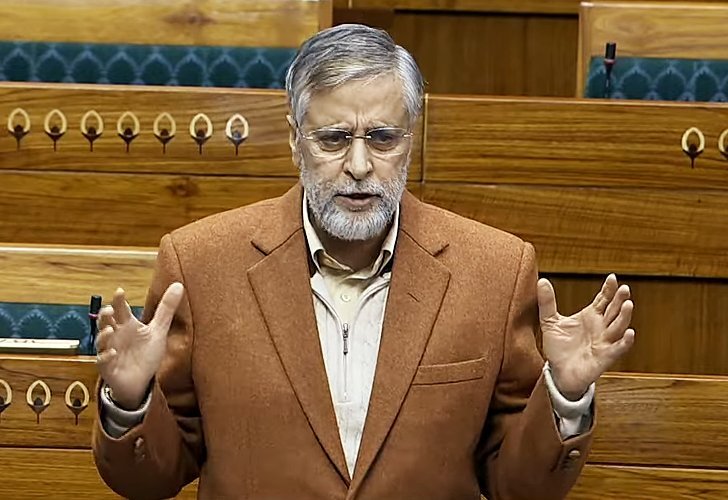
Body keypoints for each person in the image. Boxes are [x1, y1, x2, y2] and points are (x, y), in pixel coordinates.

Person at [92, 24, 635, 500]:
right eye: (333, 139)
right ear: (295, 141)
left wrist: (565, 394)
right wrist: (131, 399)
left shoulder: (494, 270)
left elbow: (519, 487)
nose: (358, 165)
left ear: (411, 139)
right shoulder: (201, 264)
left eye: (382, 138)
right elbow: (150, 480)